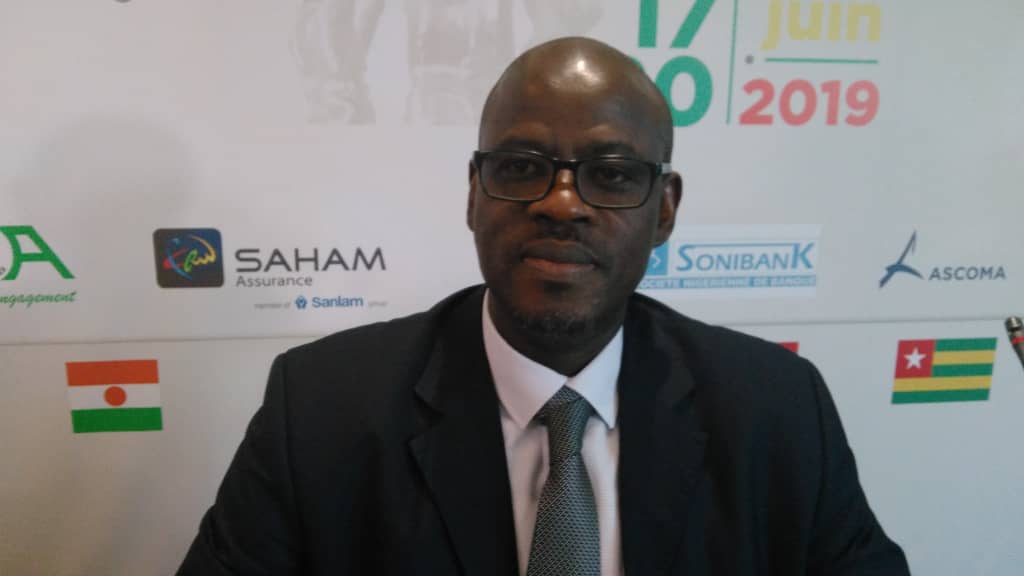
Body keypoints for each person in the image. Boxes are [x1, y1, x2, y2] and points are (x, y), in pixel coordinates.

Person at [178, 37, 910, 575]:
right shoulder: (320, 412)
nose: (562, 203)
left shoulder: (776, 409)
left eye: (611, 174)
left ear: (664, 210)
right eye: (522, 167)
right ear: (474, 193)